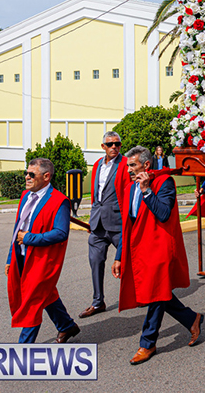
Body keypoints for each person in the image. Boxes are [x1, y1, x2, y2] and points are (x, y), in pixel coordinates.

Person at [113, 146, 202, 365]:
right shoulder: (127, 188)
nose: (129, 170)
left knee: (155, 294)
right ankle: (192, 318)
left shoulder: (164, 183)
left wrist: (146, 191)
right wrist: (118, 255)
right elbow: (127, 224)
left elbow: (163, 214)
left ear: (146, 165)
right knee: (159, 292)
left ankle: (147, 343)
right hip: (139, 247)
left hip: (160, 246)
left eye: (132, 165)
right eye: (128, 166)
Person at [6, 158, 79, 343]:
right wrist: (10, 258)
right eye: (26, 173)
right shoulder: (25, 196)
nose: (27, 177)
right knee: (46, 294)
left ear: (46, 176)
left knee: (33, 300)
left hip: (42, 260)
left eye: (32, 174)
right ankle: (67, 326)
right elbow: (17, 229)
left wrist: (30, 238)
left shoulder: (59, 201)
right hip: (22, 256)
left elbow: (61, 233)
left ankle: (23, 350)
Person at [80, 131, 131, 319]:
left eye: (117, 144)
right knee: (95, 262)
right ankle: (98, 302)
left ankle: (142, 294)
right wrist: (92, 218)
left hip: (118, 222)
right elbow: (96, 194)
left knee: (130, 260)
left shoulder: (126, 164)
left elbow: (128, 193)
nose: (114, 147)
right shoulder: (96, 165)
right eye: (110, 144)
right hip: (98, 224)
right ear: (103, 147)